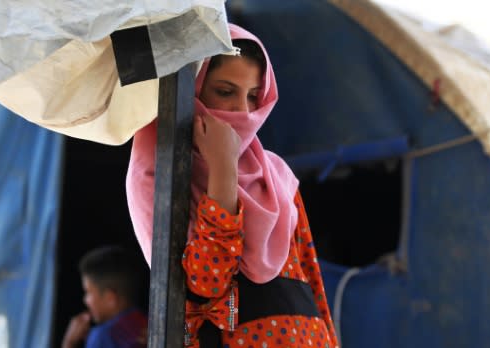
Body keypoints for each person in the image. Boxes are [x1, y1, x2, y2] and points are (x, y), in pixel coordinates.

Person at [126, 23, 340, 348]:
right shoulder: (159, 165)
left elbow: (311, 279)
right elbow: (205, 285)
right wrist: (222, 168)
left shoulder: (276, 174)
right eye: (225, 92)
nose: (243, 111)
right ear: (193, 90)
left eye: (254, 96)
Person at [62, 246, 148, 348]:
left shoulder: (101, 336)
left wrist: (69, 343)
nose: (85, 300)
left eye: (88, 292)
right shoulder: (147, 326)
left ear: (110, 299)